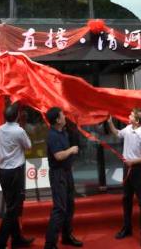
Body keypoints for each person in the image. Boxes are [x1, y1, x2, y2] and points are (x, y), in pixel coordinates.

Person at [107, 108, 141, 248]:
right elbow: (117, 133)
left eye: (131, 115)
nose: (128, 116)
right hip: (127, 168)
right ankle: (127, 228)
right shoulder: (128, 128)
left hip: (138, 170)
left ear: (137, 121)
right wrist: (110, 122)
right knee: (126, 199)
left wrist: (133, 162)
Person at [0, 102, 35, 249]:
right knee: (13, 209)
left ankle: (17, 238)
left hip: (3, 171)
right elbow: (29, 146)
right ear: (17, 116)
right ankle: (0, 243)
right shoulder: (19, 131)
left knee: (11, 205)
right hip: (16, 171)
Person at [43, 107, 83, 249]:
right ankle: (50, 244)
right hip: (58, 174)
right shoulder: (52, 135)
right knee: (59, 208)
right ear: (57, 120)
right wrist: (71, 150)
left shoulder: (63, 132)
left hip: (66, 172)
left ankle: (67, 236)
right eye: (62, 115)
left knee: (70, 205)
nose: (65, 117)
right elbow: (58, 156)